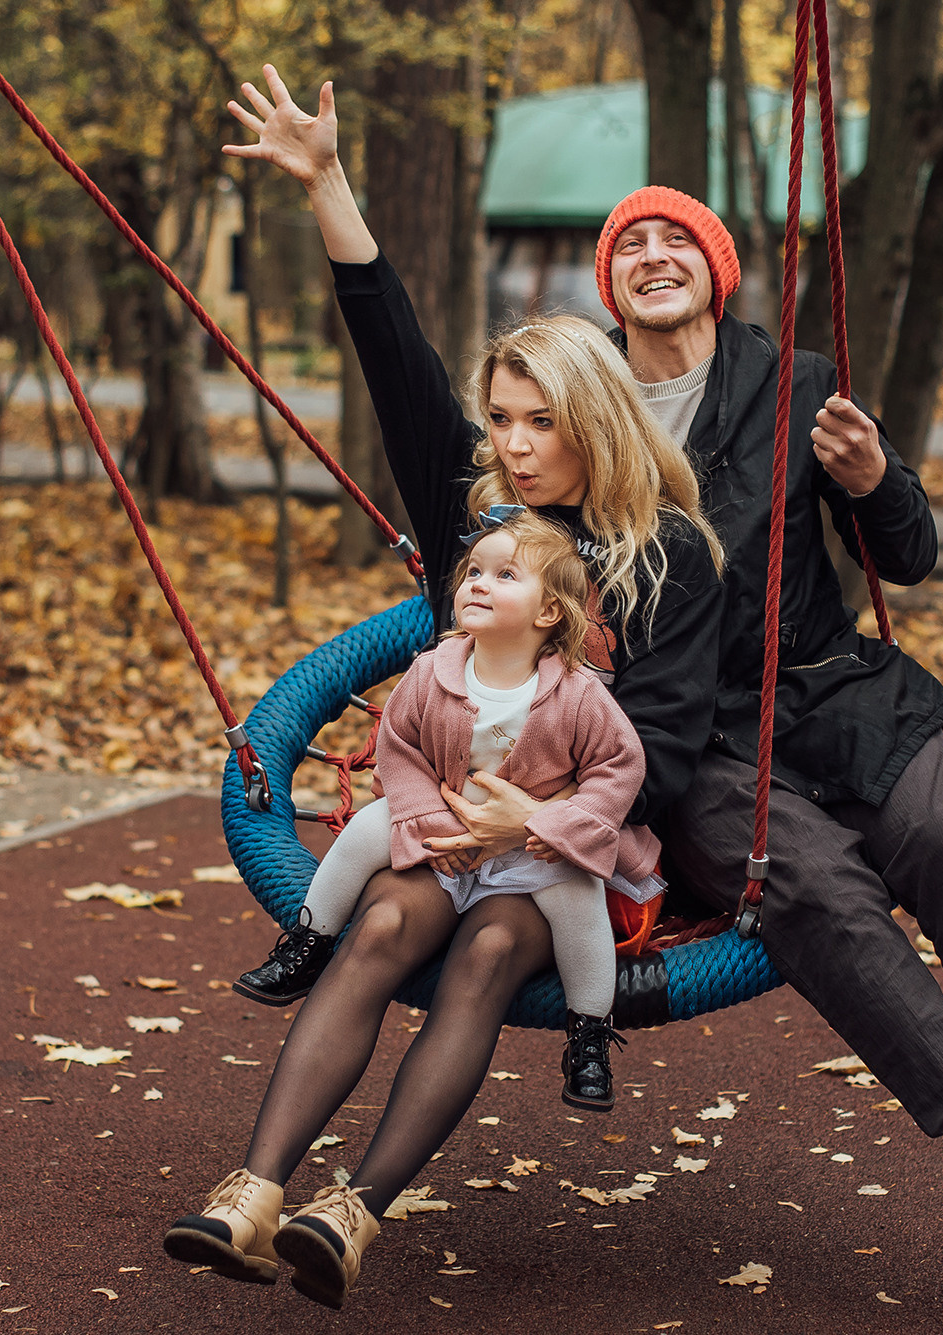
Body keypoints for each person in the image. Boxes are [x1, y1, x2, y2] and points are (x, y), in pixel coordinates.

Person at [160, 68, 725, 1312]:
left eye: (537, 423)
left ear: (594, 424)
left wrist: (537, 822)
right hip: (443, 831)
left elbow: (668, 752)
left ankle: (352, 1211)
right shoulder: (475, 522)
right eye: (500, 421)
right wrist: (327, 187)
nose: (510, 446)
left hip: (578, 855)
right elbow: (393, 352)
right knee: (376, 927)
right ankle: (250, 1193)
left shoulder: (668, 558)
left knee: (485, 958)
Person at [584, 184, 943, 1201]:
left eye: (678, 238)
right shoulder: (587, 402)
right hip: (691, 729)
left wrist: (873, 479)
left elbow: (908, 554)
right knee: (812, 890)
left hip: (827, 688)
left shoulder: (794, 382)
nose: (654, 255)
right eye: (631, 244)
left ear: (716, 269)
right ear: (611, 282)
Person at [235, 508, 676, 1110]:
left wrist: (555, 826)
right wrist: (426, 817)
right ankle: (308, 940)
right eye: (474, 571)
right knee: (367, 827)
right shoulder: (431, 672)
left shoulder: (578, 694)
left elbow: (618, 768)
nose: (478, 582)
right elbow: (397, 747)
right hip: (440, 838)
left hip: (534, 845)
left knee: (580, 903)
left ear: (549, 613)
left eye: (504, 575)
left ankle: (590, 1031)